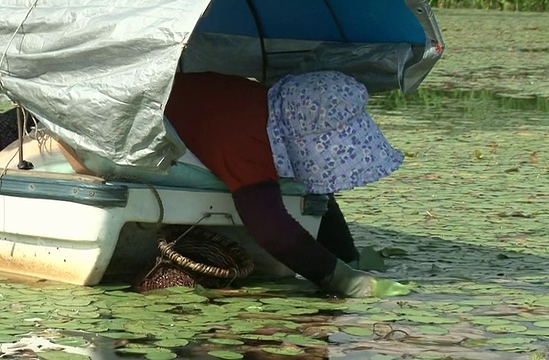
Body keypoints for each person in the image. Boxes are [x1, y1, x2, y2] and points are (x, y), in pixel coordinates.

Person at [164, 71, 408, 298]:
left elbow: (315, 192)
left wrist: (347, 257)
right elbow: (270, 227)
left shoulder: (274, 106)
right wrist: (342, 279)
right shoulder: (245, 141)